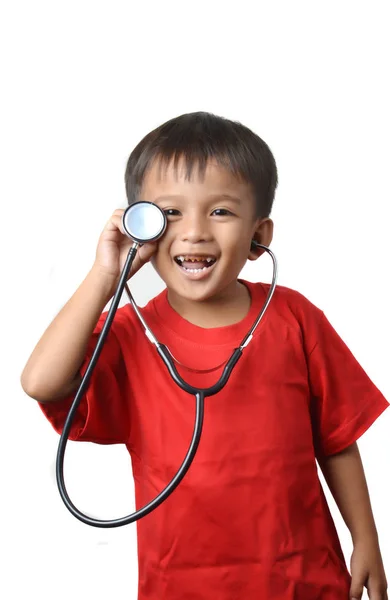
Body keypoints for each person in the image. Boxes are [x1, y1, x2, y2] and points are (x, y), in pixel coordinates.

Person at [21, 112, 389, 600]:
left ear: (261, 236)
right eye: (169, 213)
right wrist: (106, 276)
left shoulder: (295, 319)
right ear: (141, 227)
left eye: (220, 212)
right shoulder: (132, 334)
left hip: (301, 578)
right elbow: (40, 382)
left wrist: (365, 538)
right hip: (182, 584)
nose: (193, 232)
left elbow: (337, 437)